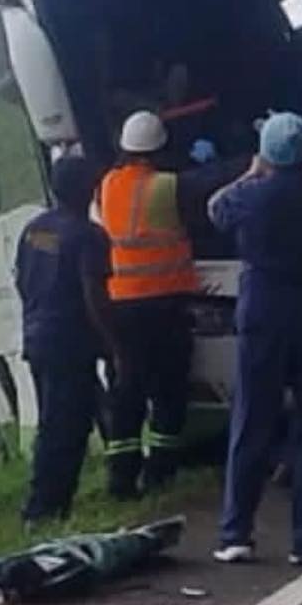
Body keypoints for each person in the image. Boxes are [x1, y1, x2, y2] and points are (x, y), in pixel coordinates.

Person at [208, 112, 302, 566]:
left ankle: (236, 533)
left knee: (252, 421)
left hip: (263, 318)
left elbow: (215, 210)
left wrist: (250, 174)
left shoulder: (251, 196)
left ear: (267, 153)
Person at [98, 110, 200, 498]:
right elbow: (202, 193)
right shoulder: (167, 186)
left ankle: (120, 477)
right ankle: (160, 471)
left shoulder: (107, 184)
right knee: (169, 388)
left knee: (127, 392)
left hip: (120, 304)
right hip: (164, 304)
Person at [15, 156, 113, 525]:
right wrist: (112, 344)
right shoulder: (88, 236)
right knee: (66, 428)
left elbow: (22, 281)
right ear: (88, 189)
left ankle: (50, 506)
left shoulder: (34, 230)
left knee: (54, 423)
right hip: (70, 343)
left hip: (38, 337)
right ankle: (43, 510)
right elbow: (93, 295)